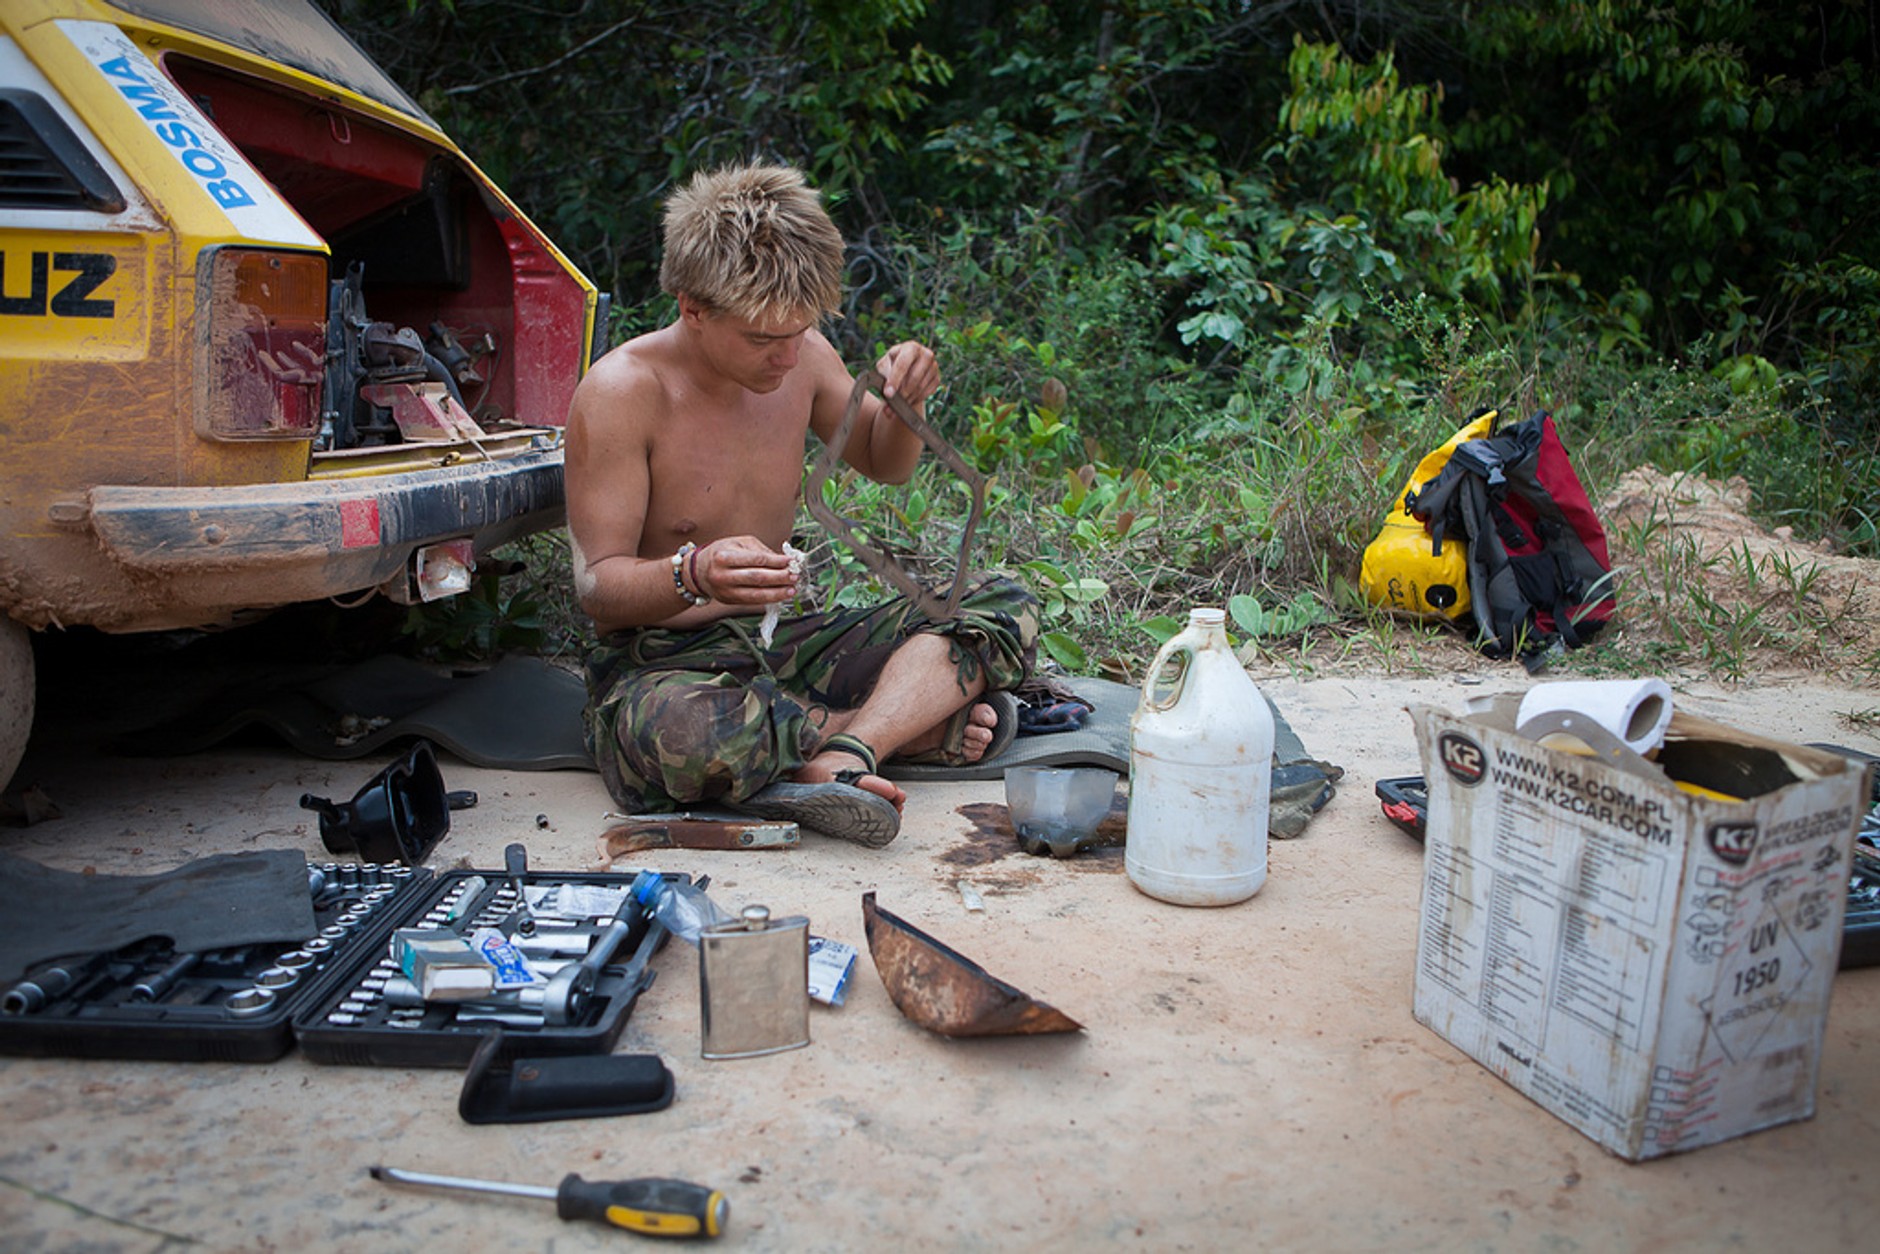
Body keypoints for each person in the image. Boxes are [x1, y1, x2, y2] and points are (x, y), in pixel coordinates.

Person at [566, 162, 1038, 846]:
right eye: (763, 340)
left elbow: (883, 460)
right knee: (686, 736)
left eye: (800, 332)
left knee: (1000, 600)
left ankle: (844, 752)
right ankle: (900, 725)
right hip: (663, 658)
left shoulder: (803, 355)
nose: (788, 357)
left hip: (781, 637)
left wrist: (907, 405)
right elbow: (597, 586)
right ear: (692, 310)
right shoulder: (621, 393)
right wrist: (690, 573)